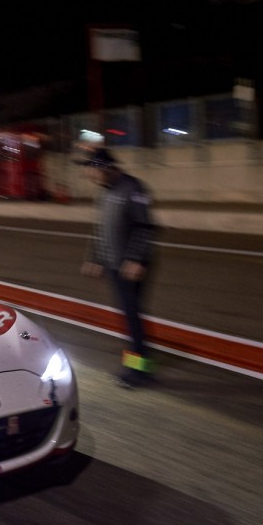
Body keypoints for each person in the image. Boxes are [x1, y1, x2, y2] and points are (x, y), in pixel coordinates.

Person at [78, 147, 158, 388]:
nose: (91, 176)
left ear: (107, 168)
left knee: (132, 317)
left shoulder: (133, 188)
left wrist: (136, 259)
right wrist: (96, 258)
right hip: (114, 266)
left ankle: (140, 371)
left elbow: (145, 227)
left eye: (94, 171)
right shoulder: (104, 193)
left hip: (130, 267)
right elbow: (101, 229)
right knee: (129, 317)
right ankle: (136, 365)